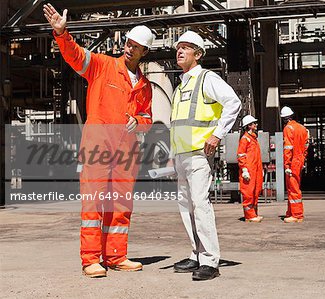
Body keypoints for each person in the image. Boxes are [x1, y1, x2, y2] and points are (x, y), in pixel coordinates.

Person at [43, 4, 153, 277]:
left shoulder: (145, 86)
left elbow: (148, 119)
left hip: (126, 152)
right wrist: (62, 34)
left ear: (144, 52)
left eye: (136, 46)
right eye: (128, 43)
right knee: (93, 202)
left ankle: (116, 256)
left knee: (121, 205)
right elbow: (76, 57)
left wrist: (138, 122)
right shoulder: (103, 66)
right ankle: (91, 259)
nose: (129, 48)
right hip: (98, 148)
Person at [170, 31, 241, 280]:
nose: (180, 51)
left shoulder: (206, 78)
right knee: (186, 207)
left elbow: (233, 103)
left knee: (200, 205)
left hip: (199, 154)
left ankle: (210, 260)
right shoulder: (181, 86)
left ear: (198, 54)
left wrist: (218, 134)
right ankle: (196, 254)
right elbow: (178, 124)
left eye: (186, 48)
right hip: (181, 156)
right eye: (178, 47)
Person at [280, 106, 309, 223]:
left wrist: (287, 165)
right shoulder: (302, 128)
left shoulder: (288, 128)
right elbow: (306, 146)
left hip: (292, 162)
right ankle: (291, 212)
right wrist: (303, 159)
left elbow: (288, 148)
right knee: (293, 187)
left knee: (293, 188)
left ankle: (297, 215)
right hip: (299, 160)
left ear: (285, 119)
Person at [237, 115, 264, 222]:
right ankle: (249, 215)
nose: (256, 125)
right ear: (249, 126)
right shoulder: (245, 139)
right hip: (248, 170)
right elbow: (240, 155)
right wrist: (244, 169)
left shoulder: (253, 138)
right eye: (254, 123)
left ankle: (254, 214)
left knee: (256, 191)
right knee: (248, 192)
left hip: (255, 169)